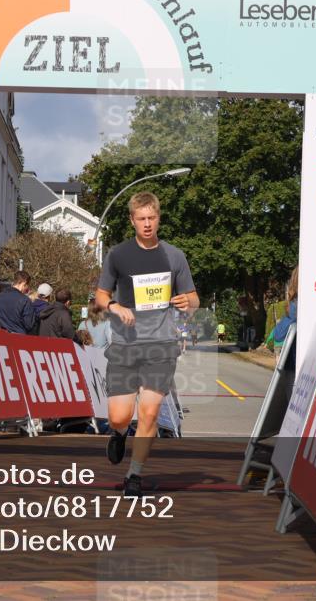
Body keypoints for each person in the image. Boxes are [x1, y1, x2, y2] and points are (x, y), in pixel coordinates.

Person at [96, 191, 198, 497]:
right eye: (141, 219)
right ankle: (118, 434)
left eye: (152, 217)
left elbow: (193, 298)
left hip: (161, 344)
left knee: (151, 412)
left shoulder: (174, 256)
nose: (147, 224)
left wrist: (186, 302)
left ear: (159, 218)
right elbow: (100, 296)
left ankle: (135, 476)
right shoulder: (118, 255)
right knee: (119, 416)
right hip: (126, 345)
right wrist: (114, 306)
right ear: (132, 220)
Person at [0, 270, 38, 334]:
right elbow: (29, 325)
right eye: (27, 286)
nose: (27, 289)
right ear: (24, 283)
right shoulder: (25, 300)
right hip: (17, 338)